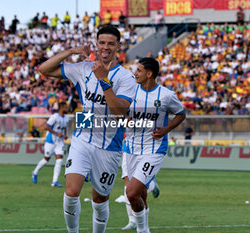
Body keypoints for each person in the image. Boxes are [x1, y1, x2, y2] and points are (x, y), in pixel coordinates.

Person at [39, 25, 136, 233]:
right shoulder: (84, 68)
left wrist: (103, 80)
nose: (106, 47)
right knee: (72, 191)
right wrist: (71, 52)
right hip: (83, 136)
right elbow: (44, 69)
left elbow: (120, 113)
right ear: (96, 43)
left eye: (111, 43)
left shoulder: (126, 77)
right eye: (102, 42)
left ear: (118, 45)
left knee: (100, 198)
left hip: (110, 143)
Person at [123, 57, 185, 233]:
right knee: (139, 193)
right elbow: (123, 111)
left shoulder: (166, 95)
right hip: (130, 147)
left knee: (131, 193)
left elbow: (181, 113)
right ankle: (144, 226)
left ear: (149, 74)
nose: (135, 73)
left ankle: (143, 230)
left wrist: (167, 128)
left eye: (139, 70)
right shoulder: (131, 91)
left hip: (154, 149)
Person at [32, 102, 69, 187]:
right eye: (66, 107)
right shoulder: (54, 117)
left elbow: (64, 127)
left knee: (59, 160)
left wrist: (65, 135)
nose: (67, 109)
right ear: (61, 108)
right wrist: (56, 133)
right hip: (50, 141)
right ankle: (35, 172)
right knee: (46, 160)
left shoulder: (66, 118)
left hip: (60, 142)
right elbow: (46, 127)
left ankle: (54, 181)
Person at [120, 151, 159, 231]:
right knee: (128, 188)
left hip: (145, 150)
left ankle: (152, 185)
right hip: (128, 149)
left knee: (138, 192)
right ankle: (132, 221)